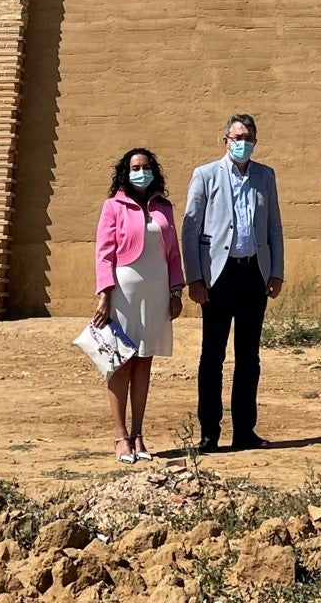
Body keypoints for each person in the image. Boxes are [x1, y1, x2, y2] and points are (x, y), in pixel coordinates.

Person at [182, 113, 285, 450]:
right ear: (225, 140)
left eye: (249, 137)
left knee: (249, 356)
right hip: (217, 274)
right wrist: (194, 278)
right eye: (238, 136)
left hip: (253, 271)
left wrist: (276, 270)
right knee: (212, 354)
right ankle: (209, 432)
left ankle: (245, 431)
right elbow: (190, 229)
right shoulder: (206, 175)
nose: (244, 142)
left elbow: (273, 227)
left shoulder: (265, 176)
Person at [92, 148, 186, 462]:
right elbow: (104, 251)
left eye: (145, 166)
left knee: (144, 360)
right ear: (125, 172)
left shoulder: (164, 207)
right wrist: (104, 292)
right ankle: (120, 437)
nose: (140, 171)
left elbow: (173, 254)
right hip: (124, 290)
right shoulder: (113, 205)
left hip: (156, 290)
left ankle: (138, 434)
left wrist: (176, 291)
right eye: (134, 167)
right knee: (121, 360)